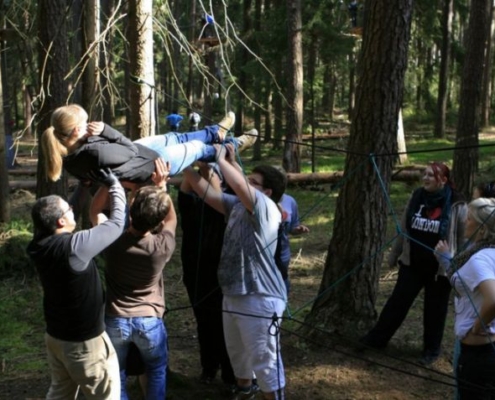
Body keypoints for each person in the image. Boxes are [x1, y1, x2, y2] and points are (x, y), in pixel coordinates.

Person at [183, 144, 288, 400]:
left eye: (254, 181)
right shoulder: (239, 206)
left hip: (260, 297)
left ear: (267, 191)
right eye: (248, 179)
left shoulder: (266, 208)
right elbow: (208, 194)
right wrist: (188, 165)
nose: (246, 183)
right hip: (233, 293)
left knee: (265, 363)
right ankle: (243, 392)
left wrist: (221, 159)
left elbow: (239, 184)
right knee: (239, 359)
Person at [26, 168, 126, 399]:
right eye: (69, 209)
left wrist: (83, 186)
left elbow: (65, 212)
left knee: (60, 393)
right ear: (61, 220)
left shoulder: (38, 244)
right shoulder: (74, 248)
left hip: (56, 339)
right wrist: (115, 186)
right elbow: (116, 224)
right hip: (85, 345)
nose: (72, 208)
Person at [360, 162, 467, 365]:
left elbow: (462, 239)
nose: (425, 178)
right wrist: (394, 254)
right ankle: (376, 340)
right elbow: (403, 229)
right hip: (412, 264)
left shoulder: (457, 204)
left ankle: (431, 350)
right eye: (424, 174)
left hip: (440, 269)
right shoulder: (416, 196)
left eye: (431, 176)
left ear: (443, 180)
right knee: (397, 303)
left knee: (435, 311)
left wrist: (457, 265)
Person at [91, 159, 175, 400]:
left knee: (116, 373)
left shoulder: (111, 239)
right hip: (150, 321)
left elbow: (95, 212)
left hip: (115, 319)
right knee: (157, 370)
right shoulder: (162, 246)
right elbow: (170, 218)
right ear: (157, 221)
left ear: (130, 210)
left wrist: (111, 182)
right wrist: (161, 187)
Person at [40, 104, 254, 187]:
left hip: (136, 157)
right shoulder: (93, 152)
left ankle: (215, 132)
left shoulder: (69, 156)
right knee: (196, 148)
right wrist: (105, 130)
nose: (89, 125)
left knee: (174, 137)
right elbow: (129, 149)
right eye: (85, 123)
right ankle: (231, 147)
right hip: (149, 166)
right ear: (76, 130)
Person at [178, 161, 236, 387]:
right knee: (204, 324)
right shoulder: (191, 205)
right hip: (196, 277)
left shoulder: (226, 207)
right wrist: (191, 163)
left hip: (220, 278)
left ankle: (230, 376)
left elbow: (215, 191)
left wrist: (204, 166)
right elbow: (187, 188)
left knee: (225, 327)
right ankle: (209, 368)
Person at [436, 198, 495, 398]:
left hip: (480, 355)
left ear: (482, 230)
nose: (464, 222)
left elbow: (493, 299)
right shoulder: (486, 253)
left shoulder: (480, 259)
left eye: (469, 219)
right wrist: (446, 259)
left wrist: (478, 326)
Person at [279, 192, 310, 293]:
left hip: (282, 255)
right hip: (258, 254)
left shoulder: (290, 201)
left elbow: (292, 227)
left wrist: (297, 229)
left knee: (281, 284)